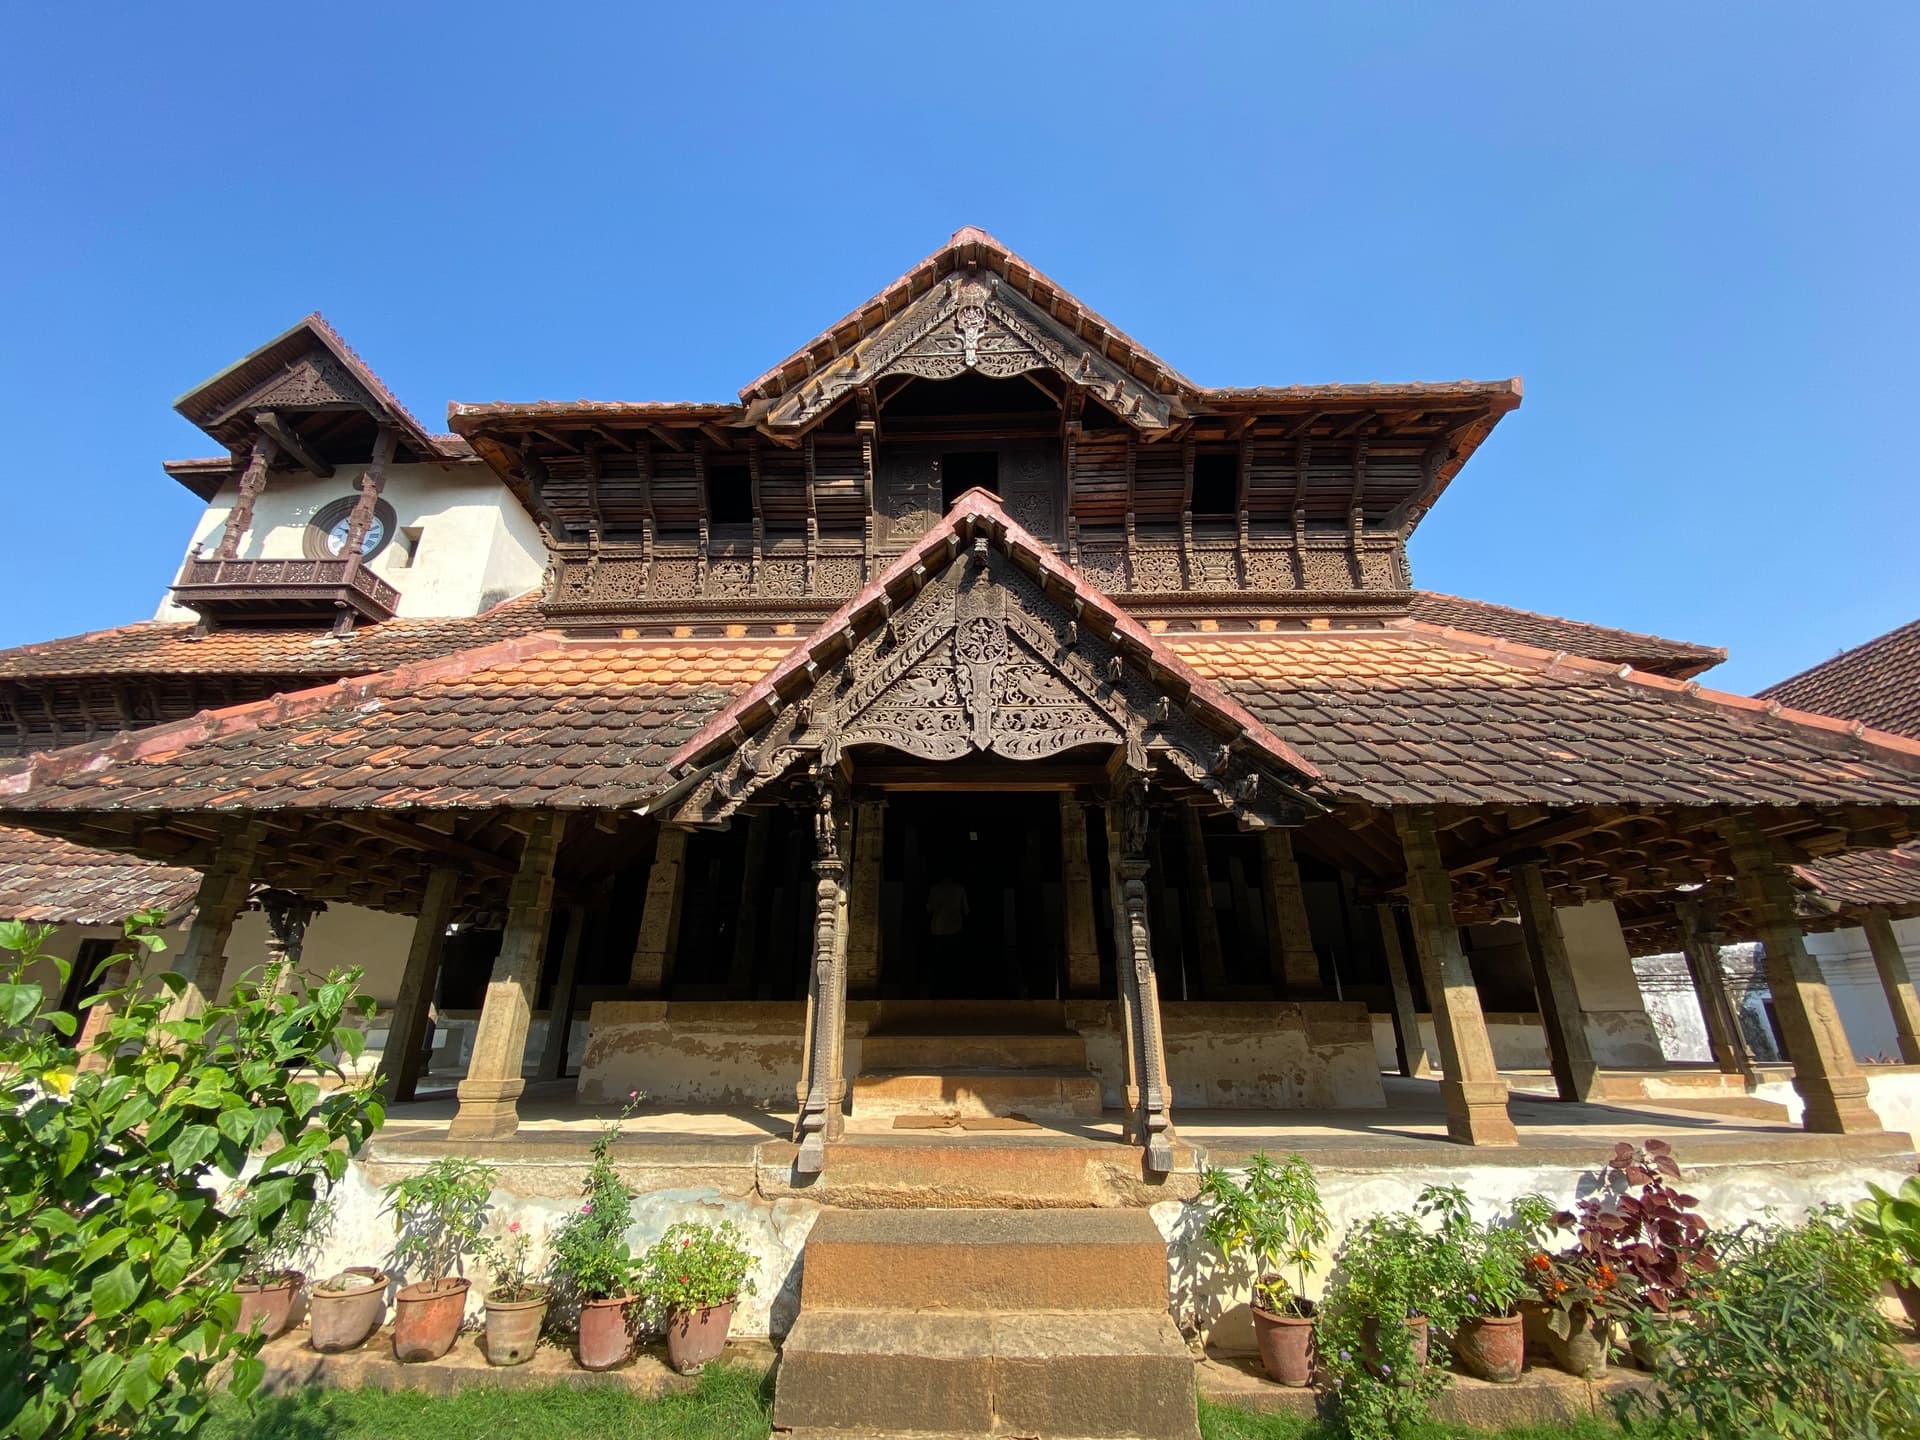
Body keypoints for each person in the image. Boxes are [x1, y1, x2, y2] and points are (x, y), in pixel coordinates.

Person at [926, 872, 969, 998]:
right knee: (953, 960)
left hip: (938, 929)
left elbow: (930, 908)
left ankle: (939, 986)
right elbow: (966, 910)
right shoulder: (960, 889)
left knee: (939, 960)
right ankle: (952, 985)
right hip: (955, 929)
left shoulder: (935, 889)